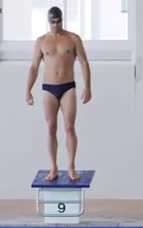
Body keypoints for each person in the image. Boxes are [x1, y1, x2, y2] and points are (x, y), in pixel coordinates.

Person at [26, 6, 92, 181]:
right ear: (48, 22)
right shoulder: (41, 41)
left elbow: (84, 62)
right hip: (49, 88)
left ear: (62, 20)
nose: (55, 25)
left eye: (58, 21)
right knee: (50, 128)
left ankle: (71, 166)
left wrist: (88, 87)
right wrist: (28, 90)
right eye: (52, 22)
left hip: (68, 87)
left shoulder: (72, 39)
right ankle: (53, 167)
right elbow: (34, 67)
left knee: (69, 128)